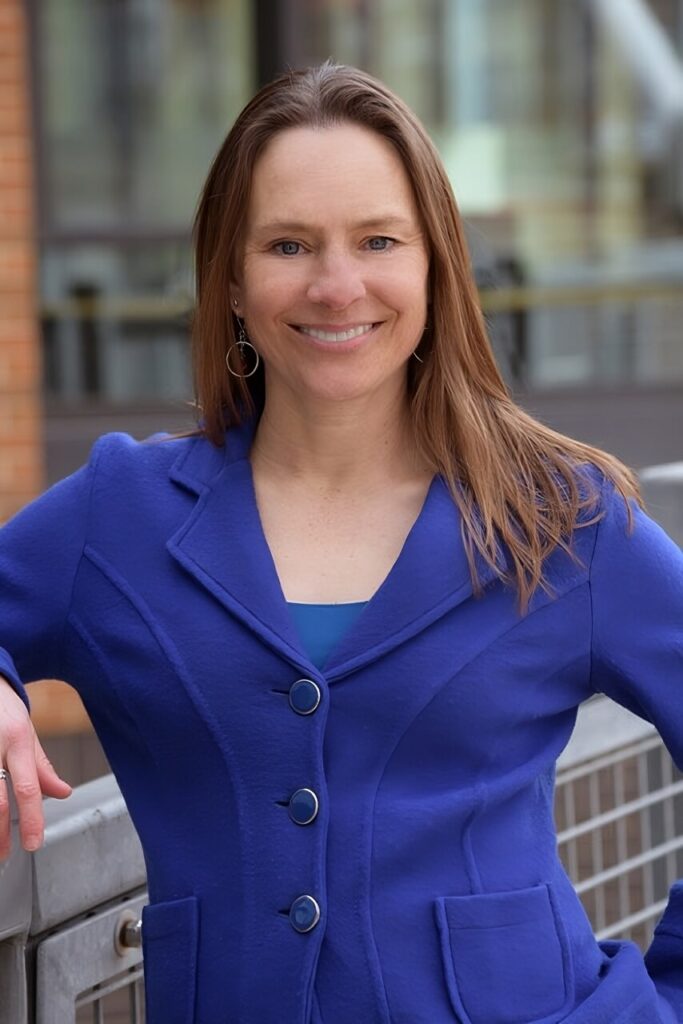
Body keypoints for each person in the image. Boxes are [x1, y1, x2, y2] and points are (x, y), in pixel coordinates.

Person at [0, 62, 682, 1024]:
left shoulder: (561, 522)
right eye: (287, 244)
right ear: (231, 281)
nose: (335, 285)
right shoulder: (118, 517)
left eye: (377, 240)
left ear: (433, 265)